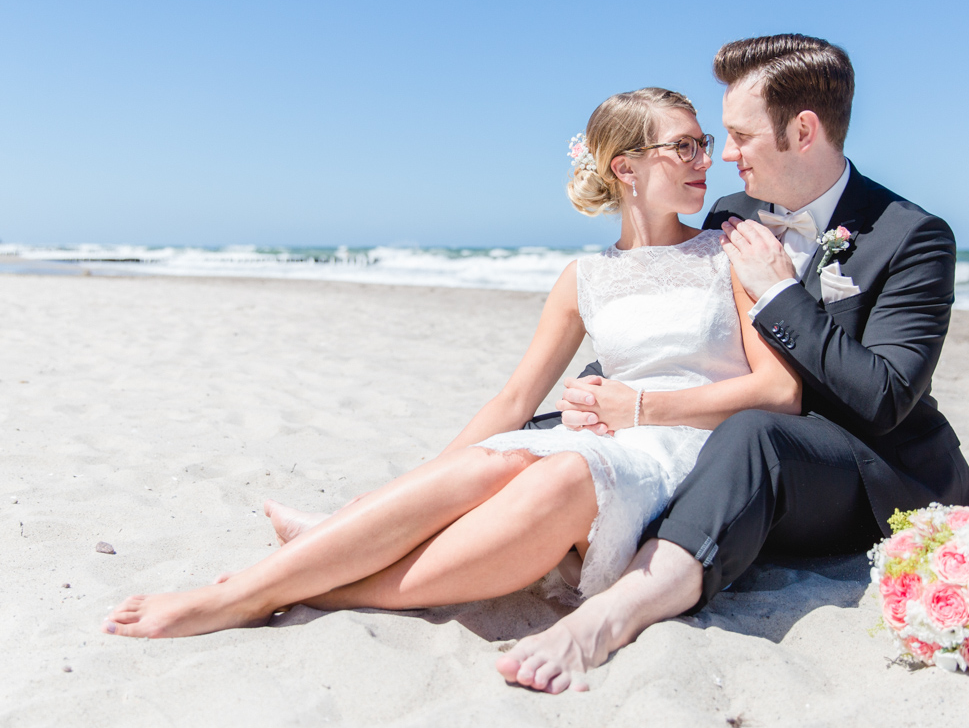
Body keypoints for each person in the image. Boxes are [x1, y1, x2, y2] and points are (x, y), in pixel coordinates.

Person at [102, 88, 804, 665]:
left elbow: (780, 392)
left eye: (702, 144)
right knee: (496, 460)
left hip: (691, 454)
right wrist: (408, 497)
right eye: (683, 146)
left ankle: (293, 591)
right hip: (608, 439)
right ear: (625, 168)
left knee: (557, 473)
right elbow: (515, 399)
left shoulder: (733, 253)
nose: (703, 160)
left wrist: (640, 406)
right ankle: (280, 571)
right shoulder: (583, 278)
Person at [495, 34, 969, 693]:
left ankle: (608, 618)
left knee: (753, 434)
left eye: (740, 136)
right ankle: (387, 530)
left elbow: (885, 396)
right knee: (562, 432)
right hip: (741, 450)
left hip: (874, 468)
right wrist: (598, 386)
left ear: (803, 130)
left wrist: (783, 292)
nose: (724, 155)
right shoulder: (732, 215)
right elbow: (680, 333)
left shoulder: (912, 236)